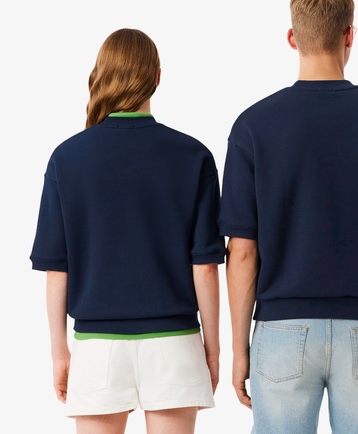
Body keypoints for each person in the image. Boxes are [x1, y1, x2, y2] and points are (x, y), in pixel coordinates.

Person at [218, 0, 358, 434]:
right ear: (349, 35)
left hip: (281, 330)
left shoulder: (253, 125)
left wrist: (240, 348)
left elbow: (241, 251)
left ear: (292, 37)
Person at [30, 28, 225, 434]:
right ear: (157, 77)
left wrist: (59, 353)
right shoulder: (193, 156)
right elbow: (205, 267)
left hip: (97, 346)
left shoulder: (67, 158)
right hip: (175, 343)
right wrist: (212, 349)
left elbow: (57, 269)